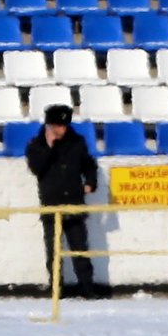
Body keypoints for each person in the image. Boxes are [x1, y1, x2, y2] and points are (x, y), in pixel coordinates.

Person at [25, 104, 98, 299]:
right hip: (52, 204)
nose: (61, 130)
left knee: (80, 249)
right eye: (57, 126)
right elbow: (36, 168)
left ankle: (87, 287)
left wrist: (90, 182)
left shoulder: (77, 142)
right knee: (54, 252)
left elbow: (89, 165)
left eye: (63, 126)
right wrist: (49, 148)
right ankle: (56, 288)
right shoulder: (36, 145)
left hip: (74, 203)